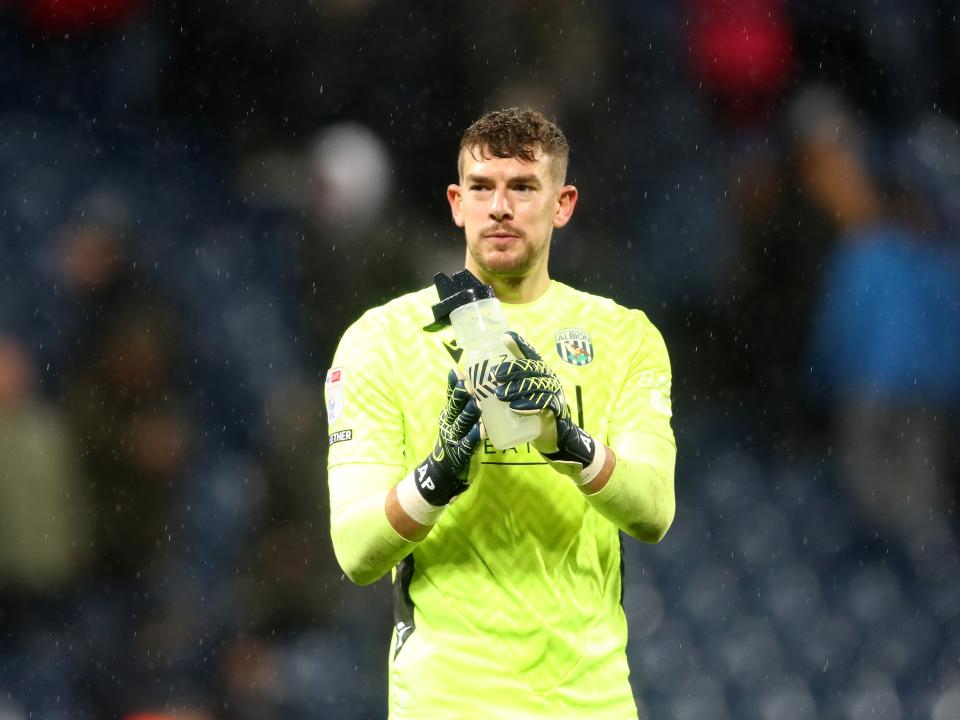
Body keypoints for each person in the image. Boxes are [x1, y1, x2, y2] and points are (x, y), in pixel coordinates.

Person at [326, 108, 677, 719]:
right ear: (457, 203)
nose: (500, 208)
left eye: (522, 187)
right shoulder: (378, 340)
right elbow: (356, 551)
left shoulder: (626, 337)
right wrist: (439, 477)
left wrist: (567, 443)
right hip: (448, 701)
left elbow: (653, 512)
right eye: (482, 188)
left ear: (563, 203)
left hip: (589, 702)